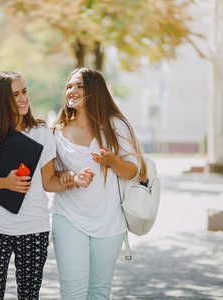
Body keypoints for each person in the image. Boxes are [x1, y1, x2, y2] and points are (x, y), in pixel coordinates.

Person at [0, 71, 93, 300]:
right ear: (0, 100)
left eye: (24, 91)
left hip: (33, 228)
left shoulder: (42, 133)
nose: (23, 98)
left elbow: (49, 182)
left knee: (29, 296)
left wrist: (72, 180)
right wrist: (5, 182)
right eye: (15, 94)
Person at [51, 68, 148, 300]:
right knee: (73, 292)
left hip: (109, 223)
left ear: (95, 91)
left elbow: (133, 171)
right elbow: (50, 179)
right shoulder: (56, 131)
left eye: (79, 86)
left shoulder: (115, 126)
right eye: (69, 86)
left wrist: (112, 160)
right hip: (68, 219)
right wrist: (65, 175)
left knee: (99, 293)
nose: (71, 90)